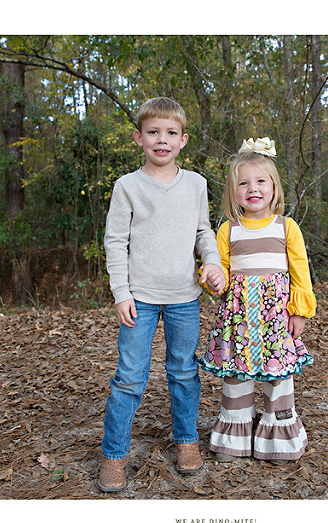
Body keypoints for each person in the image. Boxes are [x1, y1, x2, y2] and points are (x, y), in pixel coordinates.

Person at [98, 97, 225, 492]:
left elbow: (203, 231)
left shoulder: (196, 184)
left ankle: (187, 441)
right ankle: (113, 455)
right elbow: (115, 241)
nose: (162, 140)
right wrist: (121, 292)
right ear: (139, 138)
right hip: (140, 297)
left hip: (184, 296)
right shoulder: (128, 187)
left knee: (184, 371)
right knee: (129, 377)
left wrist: (213, 261)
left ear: (183, 140)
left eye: (171, 132)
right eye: (153, 132)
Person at [199, 137, 316, 464]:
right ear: (233, 192)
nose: (253, 188)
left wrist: (299, 312)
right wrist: (215, 279)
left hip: (275, 321)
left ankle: (278, 437)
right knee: (237, 375)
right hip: (238, 321)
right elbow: (221, 273)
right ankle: (234, 435)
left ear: (274, 188)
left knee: (278, 375)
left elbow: (301, 272)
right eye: (243, 183)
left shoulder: (286, 228)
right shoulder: (228, 231)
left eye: (261, 181)